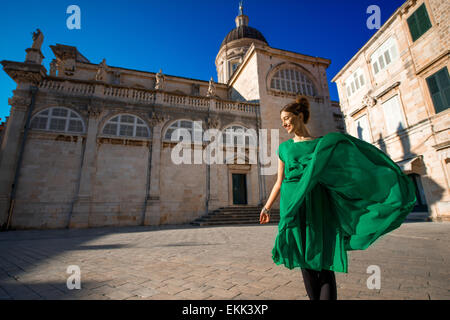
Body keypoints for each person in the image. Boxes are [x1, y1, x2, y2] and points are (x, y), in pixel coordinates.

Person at [259, 96, 416, 300]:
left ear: (299, 116)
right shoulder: (284, 148)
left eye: (287, 118)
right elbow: (279, 181)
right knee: (302, 258)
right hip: (292, 206)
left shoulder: (323, 145)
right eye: (282, 120)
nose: (284, 123)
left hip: (318, 204)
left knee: (324, 257)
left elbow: (343, 169)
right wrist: (267, 207)